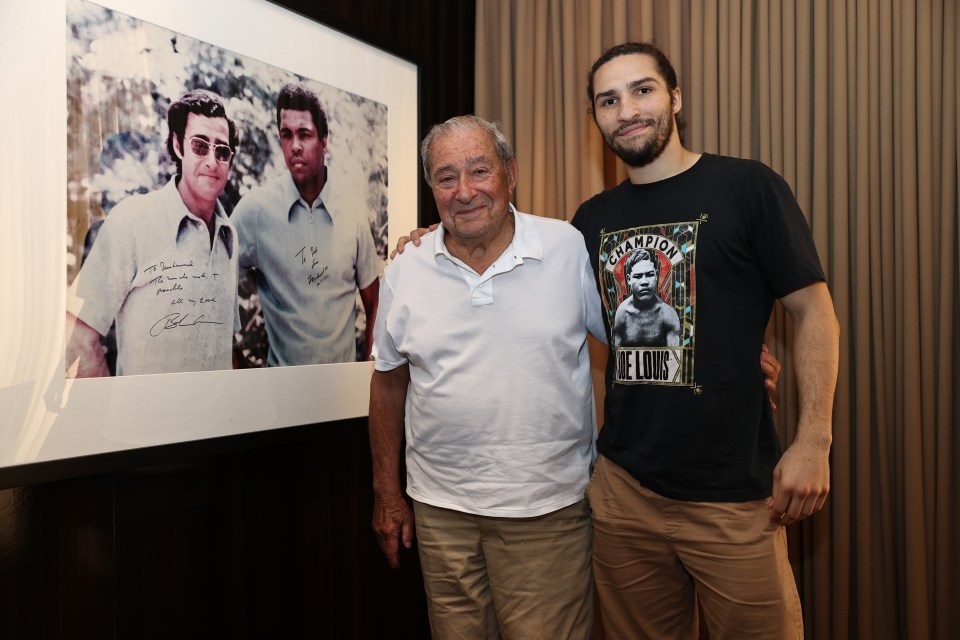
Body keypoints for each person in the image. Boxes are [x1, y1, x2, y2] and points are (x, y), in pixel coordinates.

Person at [573, 42, 840, 638]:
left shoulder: (748, 187)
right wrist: (436, 240)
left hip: (734, 499)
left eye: (642, 91)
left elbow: (815, 311)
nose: (627, 110)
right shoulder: (589, 219)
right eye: (608, 100)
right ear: (596, 117)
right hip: (623, 496)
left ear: (675, 98)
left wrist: (812, 442)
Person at [369, 115, 605, 639]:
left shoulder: (566, 248)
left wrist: (730, 355)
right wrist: (388, 495)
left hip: (546, 512)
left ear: (511, 173)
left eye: (480, 170)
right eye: (446, 177)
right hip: (440, 515)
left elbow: (634, 334)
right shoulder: (406, 268)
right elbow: (387, 384)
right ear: (431, 189)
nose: (465, 191)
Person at [66, 89, 240, 377]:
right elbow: (76, 336)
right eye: (200, 146)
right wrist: (115, 417)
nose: (212, 160)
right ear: (178, 145)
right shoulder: (133, 220)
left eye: (222, 151)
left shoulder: (229, 236)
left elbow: (224, 347)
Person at [231, 84, 381, 366]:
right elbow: (213, 283)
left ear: (324, 141)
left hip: (343, 398)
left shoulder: (351, 209)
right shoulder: (256, 210)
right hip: (280, 402)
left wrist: (368, 378)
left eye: (305, 134)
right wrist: (237, 371)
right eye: (286, 135)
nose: (295, 146)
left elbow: (375, 304)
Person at [613, 247, 681, 347]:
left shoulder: (668, 315)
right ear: (629, 279)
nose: (644, 282)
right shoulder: (622, 313)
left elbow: (674, 359)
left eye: (649, 275)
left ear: (656, 275)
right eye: (638, 276)